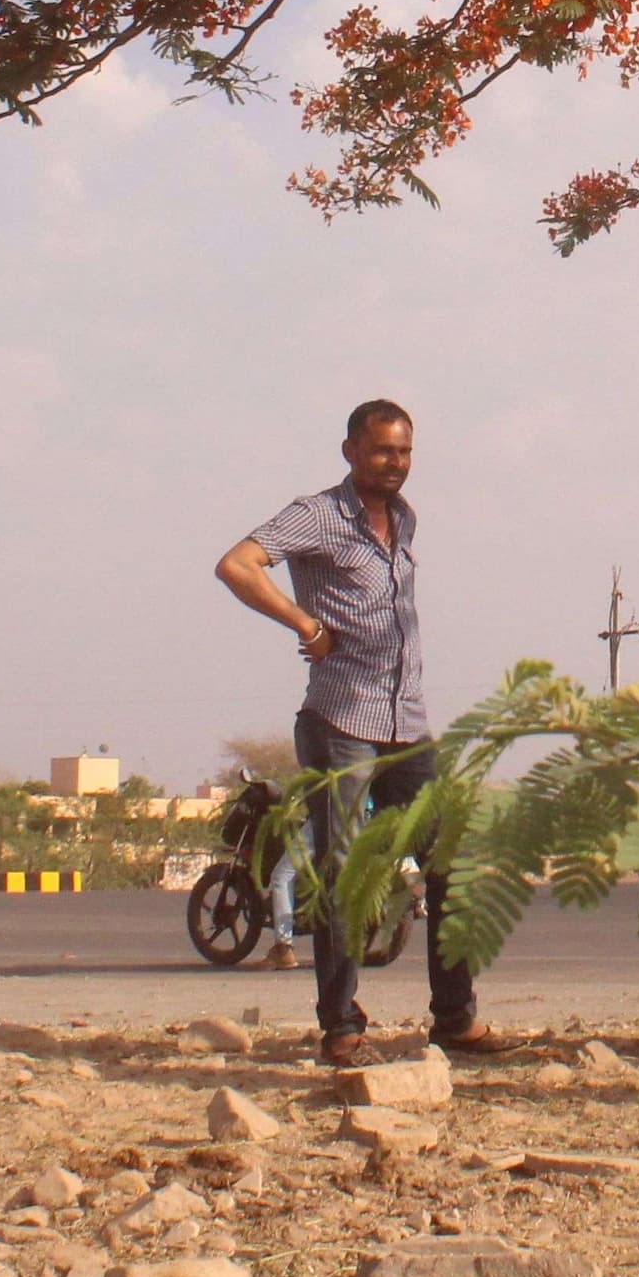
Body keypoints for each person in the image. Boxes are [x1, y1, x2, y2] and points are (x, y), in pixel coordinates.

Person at [214, 398, 504, 1065]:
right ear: (350, 450)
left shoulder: (404, 519)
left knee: (448, 860)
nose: (394, 463)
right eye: (381, 451)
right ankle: (341, 1028)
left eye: (403, 452)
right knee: (345, 873)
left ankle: (455, 1020)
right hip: (340, 721)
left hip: (408, 722)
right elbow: (237, 564)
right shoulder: (318, 514)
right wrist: (304, 624)